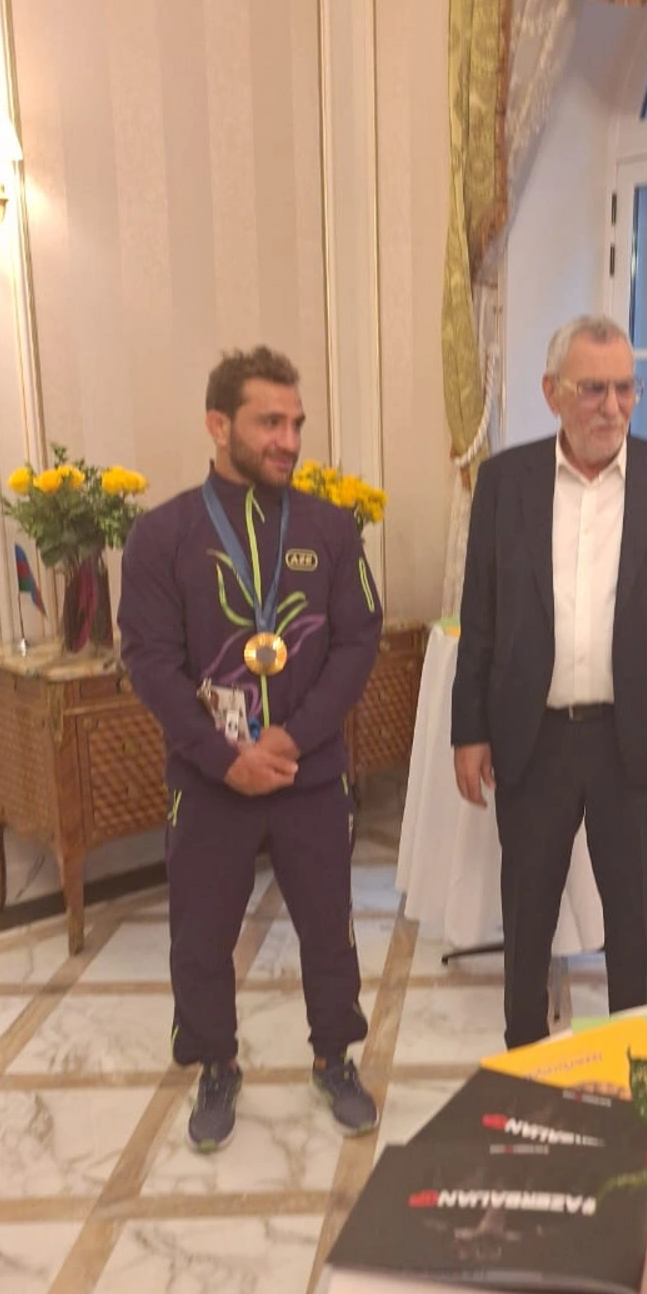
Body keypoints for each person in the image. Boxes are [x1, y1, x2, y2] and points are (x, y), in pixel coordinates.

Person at [119, 346, 384, 1151]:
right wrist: (223, 756)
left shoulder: (330, 528)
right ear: (218, 423)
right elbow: (149, 660)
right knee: (201, 937)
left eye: (296, 423)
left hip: (311, 773)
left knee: (329, 929)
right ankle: (216, 1064)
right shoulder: (161, 535)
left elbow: (358, 642)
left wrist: (291, 737)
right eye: (271, 422)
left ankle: (334, 1057)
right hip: (209, 781)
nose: (288, 440)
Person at [451, 314, 647, 1048]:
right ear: (552, 392)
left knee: (633, 922)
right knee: (526, 914)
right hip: (532, 738)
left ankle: (630, 1057)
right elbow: (480, 616)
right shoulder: (506, 482)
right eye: (593, 389)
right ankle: (525, 1054)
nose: (613, 407)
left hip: (633, 743)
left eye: (626, 388)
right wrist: (469, 730)